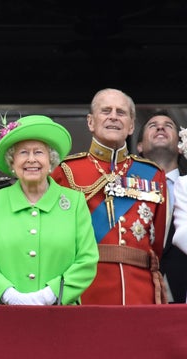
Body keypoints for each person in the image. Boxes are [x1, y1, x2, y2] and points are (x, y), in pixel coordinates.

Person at [52, 88, 168, 304]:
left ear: (131, 126)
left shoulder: (153, 174)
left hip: (139, 292)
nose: (113, 116)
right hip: (86, 289)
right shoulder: (66, 171)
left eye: (121, 112)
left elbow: (157, 242)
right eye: (106, 111)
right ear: (90, 122)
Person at [0, 115, 98, 304]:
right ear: (12, 162)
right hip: (4, 316)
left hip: (61, 316)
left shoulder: (75, 202)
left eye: (38, 152)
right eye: (23, 153)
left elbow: (86, 261)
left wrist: (50, 295)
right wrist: (9, 296)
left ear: (51, 160)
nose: (31, 160)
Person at [136, 111, 187, 302]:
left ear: (181, 146)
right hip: (139, 289)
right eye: (152, 125)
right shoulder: (123, 189)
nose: (160, 127)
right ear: (139, 146)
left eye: (169, 125)